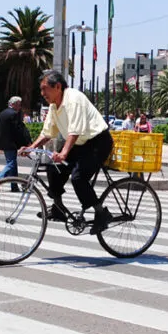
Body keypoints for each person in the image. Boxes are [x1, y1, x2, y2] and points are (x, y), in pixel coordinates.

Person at [20, 70, 114, 234]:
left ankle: (102, 213)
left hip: (98, 142)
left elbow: (75, 131)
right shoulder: (54, 106)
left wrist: (63, 153)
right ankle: (58, 208)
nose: (42, 93)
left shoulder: (74, 99)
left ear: (57, 86)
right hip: (80, 143)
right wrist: (31, 147)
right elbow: (47, 132)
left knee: (78, 178)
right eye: (41, 90)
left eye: (45, 89)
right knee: (53, 168)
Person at [0, 95, 30, 188]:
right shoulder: (14, 114)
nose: (20, 107)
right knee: (11, 164)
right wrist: (25, 143)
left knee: (13, 164)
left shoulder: (2, 114)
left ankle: (14, 186)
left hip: (3, 142)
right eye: (19, 105)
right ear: (14, 104)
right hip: (11, 143)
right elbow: (19, 130)